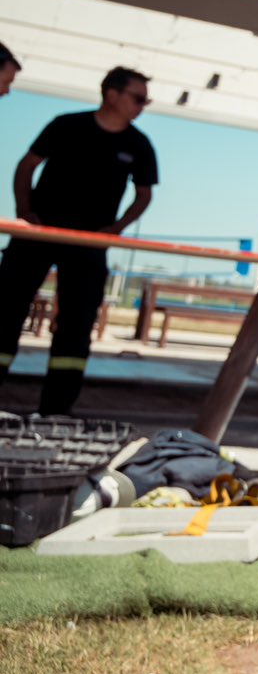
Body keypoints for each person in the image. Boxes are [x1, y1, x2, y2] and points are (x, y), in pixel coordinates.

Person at [0, 66, 160, 414]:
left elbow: (144, 194)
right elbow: (27, 165)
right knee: (6, 310)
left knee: (77, 323)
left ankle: (55, 410)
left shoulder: (139, 144)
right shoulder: (66, 125)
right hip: (38, 235)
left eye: (146, 100)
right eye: (138, 97)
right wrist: (25, 211)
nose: (143, 105)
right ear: (111, 94)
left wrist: (116, 228)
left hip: (89, 246)